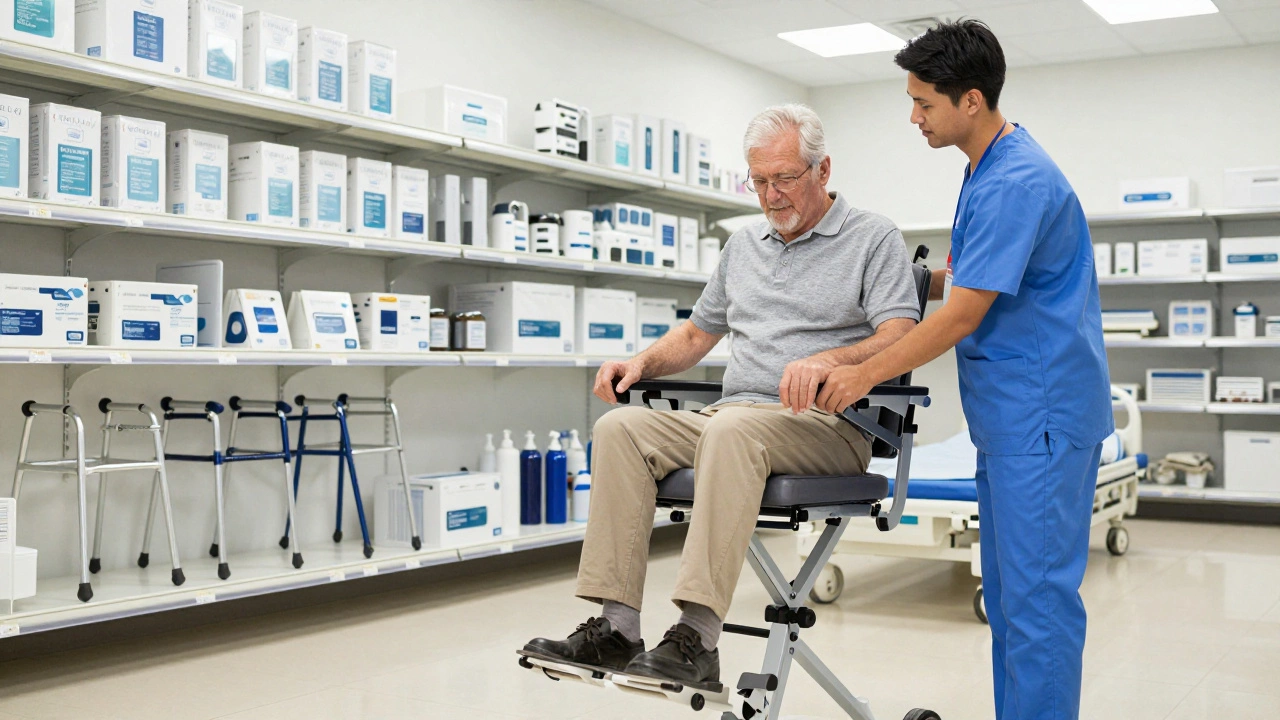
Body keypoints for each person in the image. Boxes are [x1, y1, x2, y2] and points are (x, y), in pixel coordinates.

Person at [521, 104, 922, 686]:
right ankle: (616, 628)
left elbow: (900, 334)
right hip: (733, 416)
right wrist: (639, 363)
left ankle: (697, 641)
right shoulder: (744, 245)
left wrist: (829, 360)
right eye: (759, 181)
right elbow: (694, 333)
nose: (772, 195)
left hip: (828, 426)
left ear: (823, 170)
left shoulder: (873, 236)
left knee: (733, 432)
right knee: (620, 429)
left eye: (785, 178)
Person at [815, 20, 1112, 720]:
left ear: (970, 100)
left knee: (1038, 606)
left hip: (1041, 419)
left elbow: (961, 316)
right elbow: (964, 281)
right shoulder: (985, 167)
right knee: (1011, 601)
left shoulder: (1016, 180)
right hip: (1011, 423)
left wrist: (863, 374)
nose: (912, 117)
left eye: (924, 103)